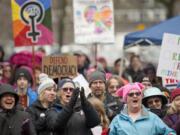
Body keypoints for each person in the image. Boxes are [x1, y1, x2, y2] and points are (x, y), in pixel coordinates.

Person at [109, 82, 176, 135]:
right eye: (131, 94)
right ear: (126, 99)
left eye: (137, 94)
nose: (135, 96)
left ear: (141, 97)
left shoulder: (152, 117)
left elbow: (169, 132)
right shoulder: (117, 120)